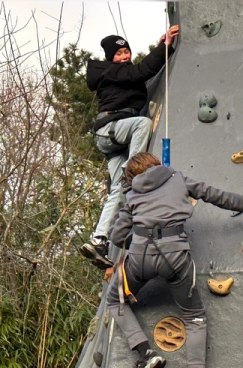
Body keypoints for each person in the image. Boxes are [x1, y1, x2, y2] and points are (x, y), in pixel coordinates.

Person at [107, 152, 243, 368]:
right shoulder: (177, 179)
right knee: (195, 317)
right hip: (174, 256)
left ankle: (145, 353)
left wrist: (136, 241)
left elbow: (116, 236)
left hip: (140, 257)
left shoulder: (132, 194)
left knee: (115, 300)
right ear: (157, 164)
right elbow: (220, 197)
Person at [80, 25, 180, 269]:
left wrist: (160, 48)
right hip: (112, 128)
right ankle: (131, 172)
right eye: (119, 53)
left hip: (112, 139)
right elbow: (142, 71)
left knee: (117, 191)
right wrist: (164, 47)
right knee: (142, 124)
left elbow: (147, 76)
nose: (125, 57)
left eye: (127, 52)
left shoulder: (118, 73)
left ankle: (98, 240)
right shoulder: (114, 71)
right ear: (111, 58)